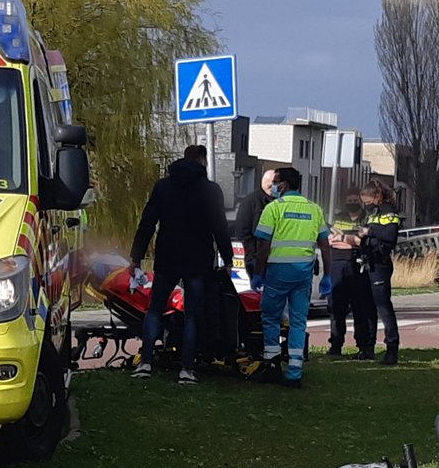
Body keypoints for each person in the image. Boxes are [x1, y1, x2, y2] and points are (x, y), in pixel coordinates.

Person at [129, 145, 234, 384]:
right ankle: (187, 369)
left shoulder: (163, 187)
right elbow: (220, 227)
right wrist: (227, 259)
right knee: (192, 314)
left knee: (155, 309)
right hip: (198, 261)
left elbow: (147, 223)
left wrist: (136, 256)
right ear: (203, 161)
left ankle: (145, 363)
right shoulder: (210, 190)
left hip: (167, 257)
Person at [252, 167, 332, 385]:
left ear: (284, 185)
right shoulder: (314, 209)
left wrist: (258, 273)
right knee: (298, 321)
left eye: (275, 182)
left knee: (270, 318)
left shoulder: (274, 208)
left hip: (278, 273)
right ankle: (295, 371)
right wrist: (328, 275)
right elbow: (325, 244)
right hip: (303, 274)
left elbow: (263, 244)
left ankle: (272, 364)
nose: (273, 187)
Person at [327, 188, 375, 359]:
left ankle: (363, 346)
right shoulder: (337, 218)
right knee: (336, 307)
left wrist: (342, 239)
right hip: (337, 264)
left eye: (356, 200)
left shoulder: (367, 219)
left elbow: (361, 242)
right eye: (350, 200)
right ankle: (335, 345)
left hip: (357, 265)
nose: (353, 203)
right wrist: (351, 240)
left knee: (360, 307)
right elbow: (330, 240)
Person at [358, 179, 402, 366]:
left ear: (375, 196)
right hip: (369, 263)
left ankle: (392, 348)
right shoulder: (373, 213)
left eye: (366, 199)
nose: (364, 203)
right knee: (368, 307)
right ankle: (368, 348)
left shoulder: (389, 212)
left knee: (383, 307)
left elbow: (390, 236)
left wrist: (370, 232)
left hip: (380, 265)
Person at [234, 169, 276, 278]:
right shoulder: (251, 202)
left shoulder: (278, 201)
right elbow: (243, 231)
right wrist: (254, 255)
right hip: (257, 258)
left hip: (275, 260)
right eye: (273, 183)